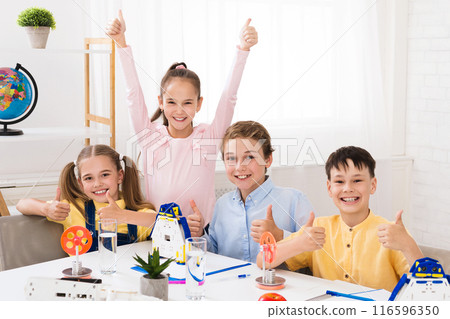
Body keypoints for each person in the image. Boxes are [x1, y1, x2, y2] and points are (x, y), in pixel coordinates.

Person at [105, 11, 258, 236]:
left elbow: (229, 97)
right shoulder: (150, 136)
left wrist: (243, 50)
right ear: (161, 102)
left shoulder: (208, 137)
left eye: (187, 103)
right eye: (171, 102)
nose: (179, 110)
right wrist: (121, 43)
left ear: (199, 104)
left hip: (200, 232)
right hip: (156, 231)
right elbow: (133, 95)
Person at [257, 146, 424, 292]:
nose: (348, 188)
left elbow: (428, 287)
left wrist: (407, 245)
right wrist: (299, 244)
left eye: (357, 180)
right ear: (330, 188)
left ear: (372, 185)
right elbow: (262, 261)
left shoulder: (391, 233)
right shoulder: (319, 228)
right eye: (339, 181)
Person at [197, 121, 313, 263]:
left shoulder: (294, 200)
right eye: (231, 158)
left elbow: (315, 254)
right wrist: (200, 235)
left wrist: (280, 235)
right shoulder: (222, 205)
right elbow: (215, 255)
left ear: (268, 160)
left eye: (249, 157)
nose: (240, 167)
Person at [16, 144, 157, 251]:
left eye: (105, 175)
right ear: (80, 183)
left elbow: (167, 223)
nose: (97, 183)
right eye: (88, 178)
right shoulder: (72, 209)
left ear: (120, 176)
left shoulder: (137, 213)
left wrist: (122, 216)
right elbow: (21, 204)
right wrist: (46, 209)